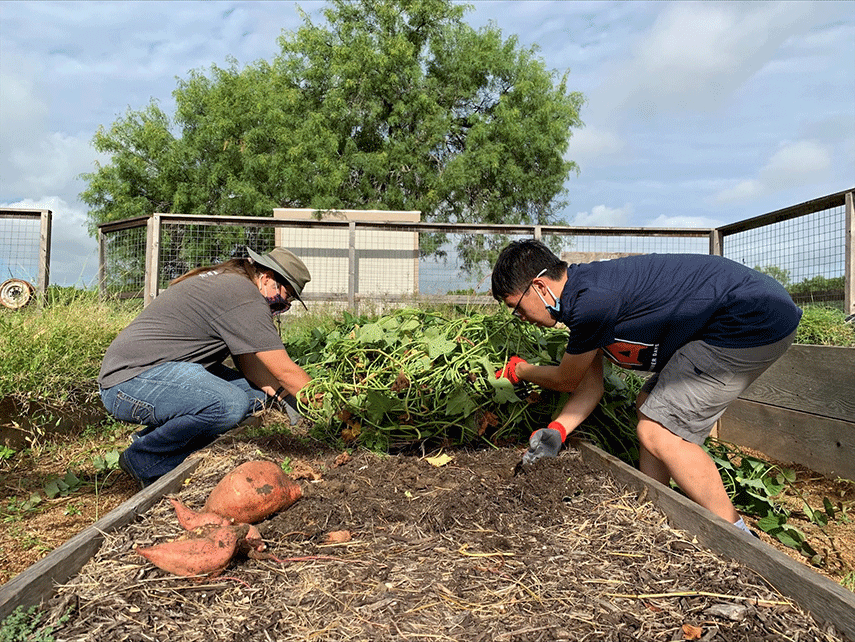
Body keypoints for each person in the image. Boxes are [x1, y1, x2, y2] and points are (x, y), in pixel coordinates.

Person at [492, 239, 801, 534]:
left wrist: (520, 370)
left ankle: (739, 538)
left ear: (540, 286)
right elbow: (589, 386)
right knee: (648, 402)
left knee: (658, 431)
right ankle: (655, 512)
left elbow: (566, 379)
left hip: (749, 319)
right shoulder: (581, 300)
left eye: (516, 306)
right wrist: (557, 430)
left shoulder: (592, 302)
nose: (520, 317)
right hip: (747, 314)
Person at [99, 247, 313, 488]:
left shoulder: (233, 284)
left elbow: (252, 366)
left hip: (161, 370)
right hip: (129, 380)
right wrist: (327, 404)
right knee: (229, 404)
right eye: (287, 295)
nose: (285, 304)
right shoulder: (244, 295)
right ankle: (144, 459)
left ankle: (150, 438)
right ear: (266, 278)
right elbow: (285, 370)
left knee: (257, 396)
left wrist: (285, 398)